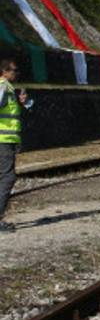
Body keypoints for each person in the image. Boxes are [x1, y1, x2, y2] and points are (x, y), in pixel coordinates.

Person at [0, 59, 32, 233]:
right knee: (7, 178)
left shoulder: (9, 89)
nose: (16, 73)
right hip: (3, 141)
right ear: (4, 71)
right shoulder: (3, 87)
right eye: (14, 70)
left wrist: (22, 102)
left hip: (7, 140)